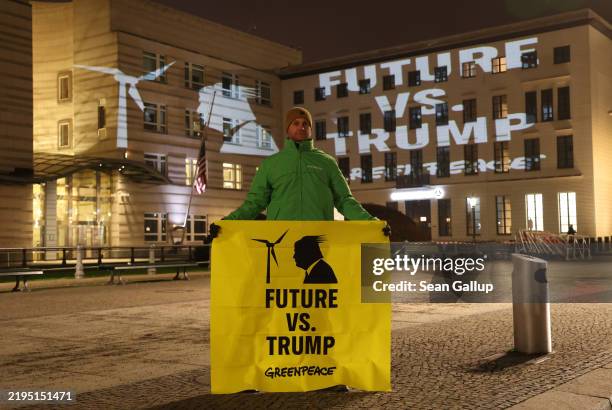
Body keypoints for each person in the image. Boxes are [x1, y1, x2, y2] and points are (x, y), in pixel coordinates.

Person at [208, 107, 388, 238]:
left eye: (305, 124)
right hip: (281, 238)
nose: (301, 127)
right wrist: (227, 222)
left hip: (318, 238)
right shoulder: (271, 164)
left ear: (310, 129)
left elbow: (344, 200)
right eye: (296, 123)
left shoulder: (327, 163)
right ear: (288, 128)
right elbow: (254, 203)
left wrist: (373, 223)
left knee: (318, 286)